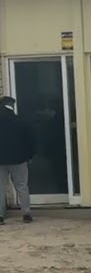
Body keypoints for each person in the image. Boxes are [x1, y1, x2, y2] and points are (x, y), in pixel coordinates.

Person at [0, 95, 36, 224]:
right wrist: (30, 155)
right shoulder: (21, 120)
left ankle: (0, 216)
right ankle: (26, 213)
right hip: (19, 159)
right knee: (22, 186)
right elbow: (30, 140)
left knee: (0, 188)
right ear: (12, 105)